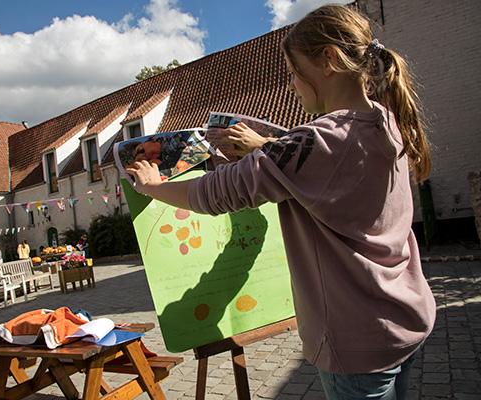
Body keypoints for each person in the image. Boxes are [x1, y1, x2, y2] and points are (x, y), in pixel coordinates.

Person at [127, 5, 435, 399]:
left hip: (357, 340)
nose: (291, 85)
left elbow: (214, 193)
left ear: (329, 60)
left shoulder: (318, 140)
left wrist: (152, 186)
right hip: (405, 317)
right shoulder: (383, 119)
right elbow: (321, 162)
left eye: (293, 71)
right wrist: (267, 147)